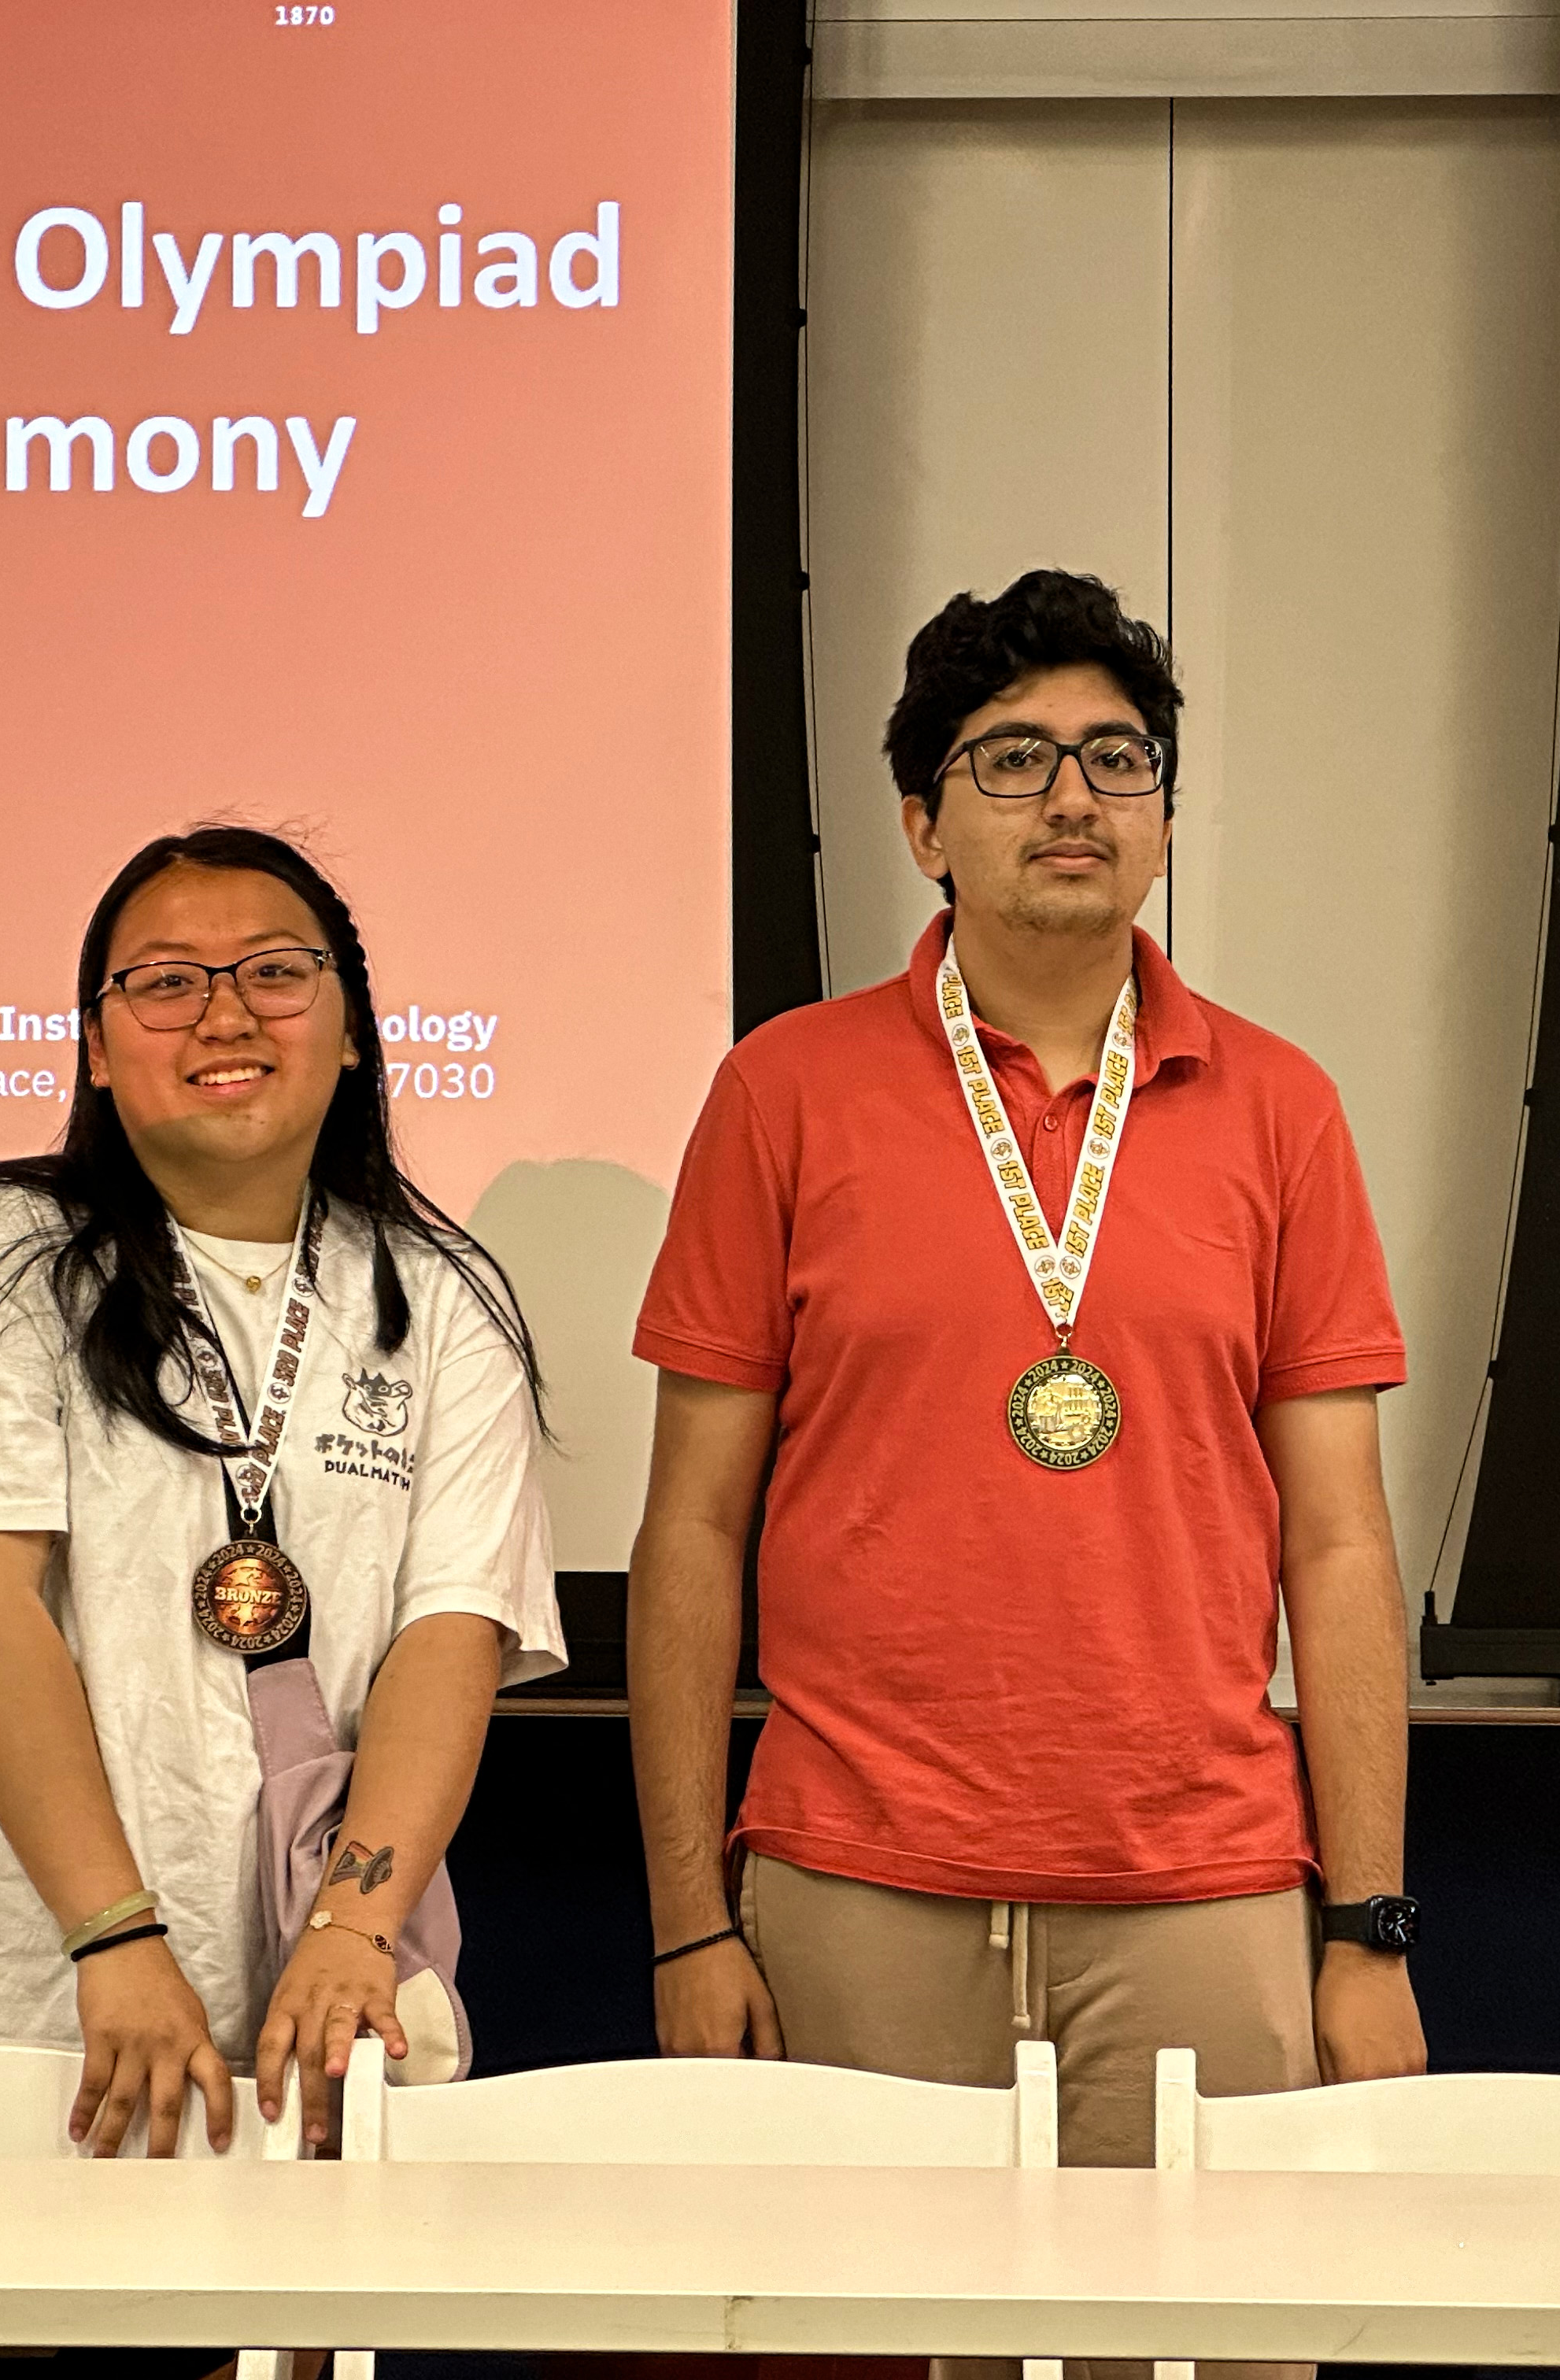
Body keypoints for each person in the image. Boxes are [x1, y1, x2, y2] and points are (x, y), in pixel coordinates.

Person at [627, 570, 1425, 2211]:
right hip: (857, 1880)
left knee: (1203, 2324)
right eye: (1013, 759)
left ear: (1164, 823)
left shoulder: (1282, 1107)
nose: (1073, 798)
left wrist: (1367, 1925)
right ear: (924, 827)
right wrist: (689, 1923)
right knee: (861, 2327)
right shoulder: (783, 1092)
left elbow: (1341, 1545)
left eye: (1117, 760)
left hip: (1201, 1890)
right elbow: (692, 1531)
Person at [0, 826, 563, 2370]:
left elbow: (451, 1636)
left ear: (351, 1029)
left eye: (275, 974)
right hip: (15, 1982)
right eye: (165, 984)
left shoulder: (440, 1299)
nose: (225, 1015)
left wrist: (355, 1929)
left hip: (306, 1991)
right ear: (98, 1048)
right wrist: (114, 1940)